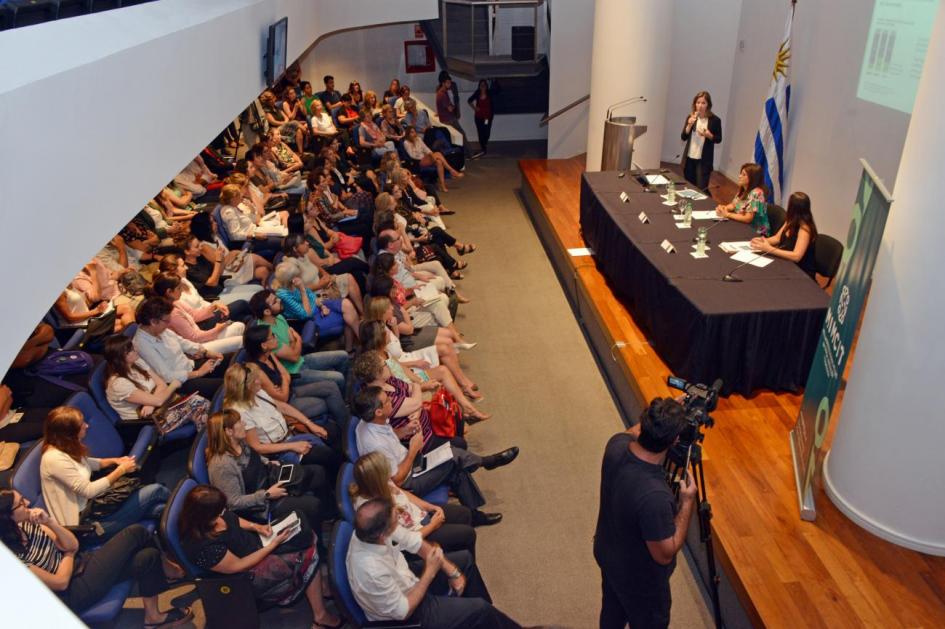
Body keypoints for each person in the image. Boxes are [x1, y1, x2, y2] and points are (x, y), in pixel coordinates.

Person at [0, 490, 191, 627]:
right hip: (71, 594)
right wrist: (69, 554)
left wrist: (49, 522)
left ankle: (153, 617)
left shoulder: (29, 525)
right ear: (8, 517)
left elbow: (72, 543)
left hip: (79, 565)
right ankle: (171, 571)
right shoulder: (12, 559)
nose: (27, 502)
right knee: (136, 532)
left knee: (147, 557)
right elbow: (60, 583)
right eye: (21, 503)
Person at [594, 398, 698, 629]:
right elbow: (664, 553)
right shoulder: (655, 497)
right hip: (639, 581)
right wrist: (687, 501)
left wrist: (661, 414)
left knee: (612, 613)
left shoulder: (616, 445)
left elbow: (633, 432)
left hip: (609, 555)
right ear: (674, 440)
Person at [178, 484, 340, 629]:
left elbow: (233, 519)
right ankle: (320, 617)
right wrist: (272, 546)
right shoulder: (201, 546)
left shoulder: (211, 515)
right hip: (247, 575)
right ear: (203, 516)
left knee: (306, 535)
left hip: (256, 546)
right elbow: (238, 566)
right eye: (219, 511)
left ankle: (316, 586)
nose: (223, 513)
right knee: (307, 554)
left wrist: (257, 527)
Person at [352, 385, 516, 526]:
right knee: (452, 458)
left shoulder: (370, 421)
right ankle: (487, 462)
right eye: (387, 401)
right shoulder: (375, 444)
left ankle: (474, 515)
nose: (391, 401)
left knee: (455, 465)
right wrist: (413, 450)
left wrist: (405, 430)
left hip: (411, 463)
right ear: (379, 411)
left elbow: (389, 435)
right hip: (408, 480)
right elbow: (397, 480)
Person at [347, 498, 521, 627]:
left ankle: (488, 622)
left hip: (406, 579)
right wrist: (430, 571)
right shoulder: (370, 571)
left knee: (464, 561)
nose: (399, 519)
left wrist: (450, 570)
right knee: (480, 609)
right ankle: (486, 617)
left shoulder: (370, 530)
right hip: (410, 612)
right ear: (383, 535)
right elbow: (402, 611)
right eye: (395, 520)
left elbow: (412, 540)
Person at [39, 407, 169, 540]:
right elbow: (88, 491)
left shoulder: (63, 446)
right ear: (69, 433)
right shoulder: (54, 459)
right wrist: (121, 470)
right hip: (85, 525)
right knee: (156, 491)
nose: (87, 425)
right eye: (82, 424)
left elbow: (87, 463)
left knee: (159, 509)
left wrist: (115, 461)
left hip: (96, 507)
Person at [205, 410, 333, 533]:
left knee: (318, 473)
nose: (244, 423)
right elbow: (234, 503)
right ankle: (320, 545)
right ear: (229, 431)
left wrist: (267, 462)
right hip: (261, 504)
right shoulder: (221, 465)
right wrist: (267, 495)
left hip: (269, 478)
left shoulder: (239, 442)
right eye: (239, 422)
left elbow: (253, 456)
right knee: (313, 505)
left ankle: (328, 516)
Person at [349, 451, 476, 554]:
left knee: (464, 514)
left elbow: (405, 494)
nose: (390, 475)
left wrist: (429, 506)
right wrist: (432, 525)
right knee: (467, 534)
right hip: (416, 536)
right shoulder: (373, 511)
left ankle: (456, 554)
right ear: (376, 479)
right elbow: (403, 542)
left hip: (421, 516)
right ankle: (462, 567)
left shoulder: (380, 483)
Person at [222, 363, 340, 472]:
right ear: (245, 387)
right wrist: (293, 446)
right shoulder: (239, 412)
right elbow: (257, 447)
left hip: (290, 434)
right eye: (255, 380)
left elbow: (282, 406)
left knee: (333, 430)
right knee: (325, 455)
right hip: (278, 451)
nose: (259, 382)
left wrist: (310, 424)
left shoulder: (257, 393)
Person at [242, 323, 348, 430]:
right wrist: (284, 381)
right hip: (286, 405)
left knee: (331, 386)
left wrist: (283, 383)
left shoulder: (269, 354)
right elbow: (283, 398)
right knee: (328, 402)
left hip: (291, 391)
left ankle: (344, 424)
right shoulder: (257, 371)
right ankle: (345, 431)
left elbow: (286, 375)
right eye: (272, 336)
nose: (276, 338)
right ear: (263, 345)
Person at [249, 289, 349, 388]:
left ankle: (342, 391)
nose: (279, 300)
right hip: (295, 373)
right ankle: (343, 399)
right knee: (338, 378)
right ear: (267, 311)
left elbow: (293, 346)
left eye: (276, 298)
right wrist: (298, 339)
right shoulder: (267, 335)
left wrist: (294, 343)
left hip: (302, 360)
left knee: (344, 356)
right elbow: (294, 356)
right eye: (275, 301)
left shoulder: (279, 317)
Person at [133, 297, 227, 399]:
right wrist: (198, 373)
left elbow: (183, 343)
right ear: (153, 322)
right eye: (167, 321)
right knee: (226, 386)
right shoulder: (141, 344)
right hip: (181, 383)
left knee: (230, 362)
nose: (169, 323)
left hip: (190, 366)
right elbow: (167, 376)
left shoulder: (159, 329)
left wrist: (206, 352)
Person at [150, 273, 245, 355]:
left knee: (240, 325)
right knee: (241, 339)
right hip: (196, 347)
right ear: (169, 292)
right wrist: (217, 329)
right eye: (179, 288)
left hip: (200, 336)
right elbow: (194, 338)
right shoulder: (172, 313)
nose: (182, 291)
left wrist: (214, 306)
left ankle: (258, 324)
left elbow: (194, 315)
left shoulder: (175, 302)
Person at [103, 335, 180, 422]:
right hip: (145, 422)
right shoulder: (118, 384)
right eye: (131, 349)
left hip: (160, 409)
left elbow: (161, 384)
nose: (136, 349)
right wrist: (174, 385)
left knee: (196, 402)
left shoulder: (137, 362)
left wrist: (151, 404)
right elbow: (159, 401)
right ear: (122, 357)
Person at [750, 191, 818, 278]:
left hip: (800, 273)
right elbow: (777, 238)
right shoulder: (791, 220)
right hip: (785, 262)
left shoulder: (805, 230)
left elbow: (796, 256)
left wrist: (769, 249)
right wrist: (762, 241)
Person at [680, 91, 722, 191]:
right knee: (689, 187)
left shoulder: (715, 120)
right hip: (690, 158)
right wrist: (689, 125)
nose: (700, 105)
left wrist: (709, 135)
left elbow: (718, 139)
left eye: (703, 103)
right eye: (698, 102)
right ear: (695, 104)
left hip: (703, 161)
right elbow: (683, 137)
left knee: (701, 189)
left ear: (708, 105)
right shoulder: (691, 117)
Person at [403, 126, 464, 193]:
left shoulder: (418, 139)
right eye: (412, 132)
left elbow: (426, 148)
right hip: (417, 161)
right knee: (438, 154)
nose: (414, 134)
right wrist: (425, 156)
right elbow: (412, 155)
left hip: (425, 158)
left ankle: (442, 185)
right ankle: (452, 171)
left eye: (414, 132)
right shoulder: (406, 143)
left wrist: (431, 154)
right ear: (408, 134)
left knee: (439, 162)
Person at [715, 163, 770, 236]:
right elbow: (734, 205)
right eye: (740, 173)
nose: (739, 176)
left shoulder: (757, 193)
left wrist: (727, 214)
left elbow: (748, 218)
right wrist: (724, 208)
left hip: (757, 231)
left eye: (744, 175)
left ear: (753, 178)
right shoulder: (744, 189)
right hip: (742, 225)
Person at [466, 79, 494, 159]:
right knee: (480, 133)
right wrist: (475, 108)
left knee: (486, 132)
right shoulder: (477, 93)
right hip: (478, 117)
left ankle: (484, 145)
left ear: (486, 86)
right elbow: (469, 100)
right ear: (479, 86)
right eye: (481, 85)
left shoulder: (489, 93)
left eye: (484, 85)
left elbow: (498, 91)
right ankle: (483, 149)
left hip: (487, 118)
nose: (483, 87)